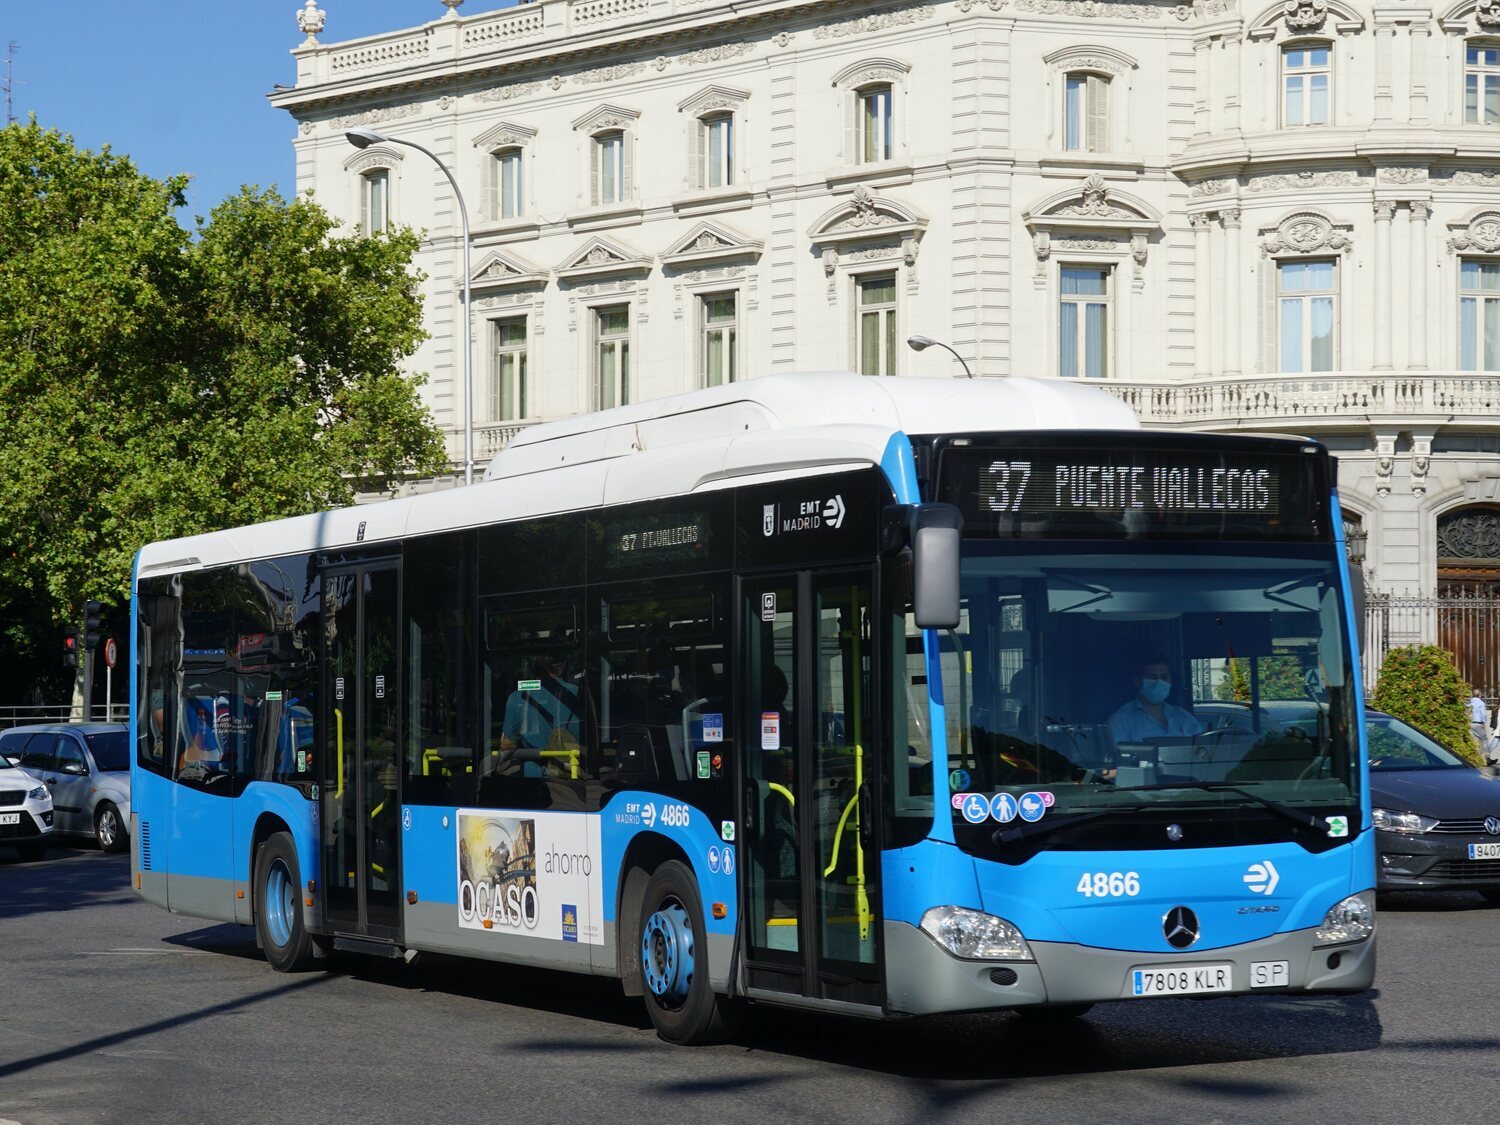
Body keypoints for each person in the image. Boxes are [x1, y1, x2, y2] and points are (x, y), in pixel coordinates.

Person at [1107, 657, 1204, 745]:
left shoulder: (1184, 717)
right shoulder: (1121, 720)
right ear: (1137, 681)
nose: (1159, 682)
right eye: (1152, 677)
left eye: (1164, 677)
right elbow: (1120, 760)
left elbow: (1204, 751)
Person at [1470, 690, 1490, 754]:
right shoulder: (1481, 703)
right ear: (1480, 695)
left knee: (1473, 741)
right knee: (1484, 740)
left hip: (1469, 724)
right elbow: (1483, 714)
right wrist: (1483, 723)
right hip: (1478, 724)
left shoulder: (1469, 703)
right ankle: (1486, 758)